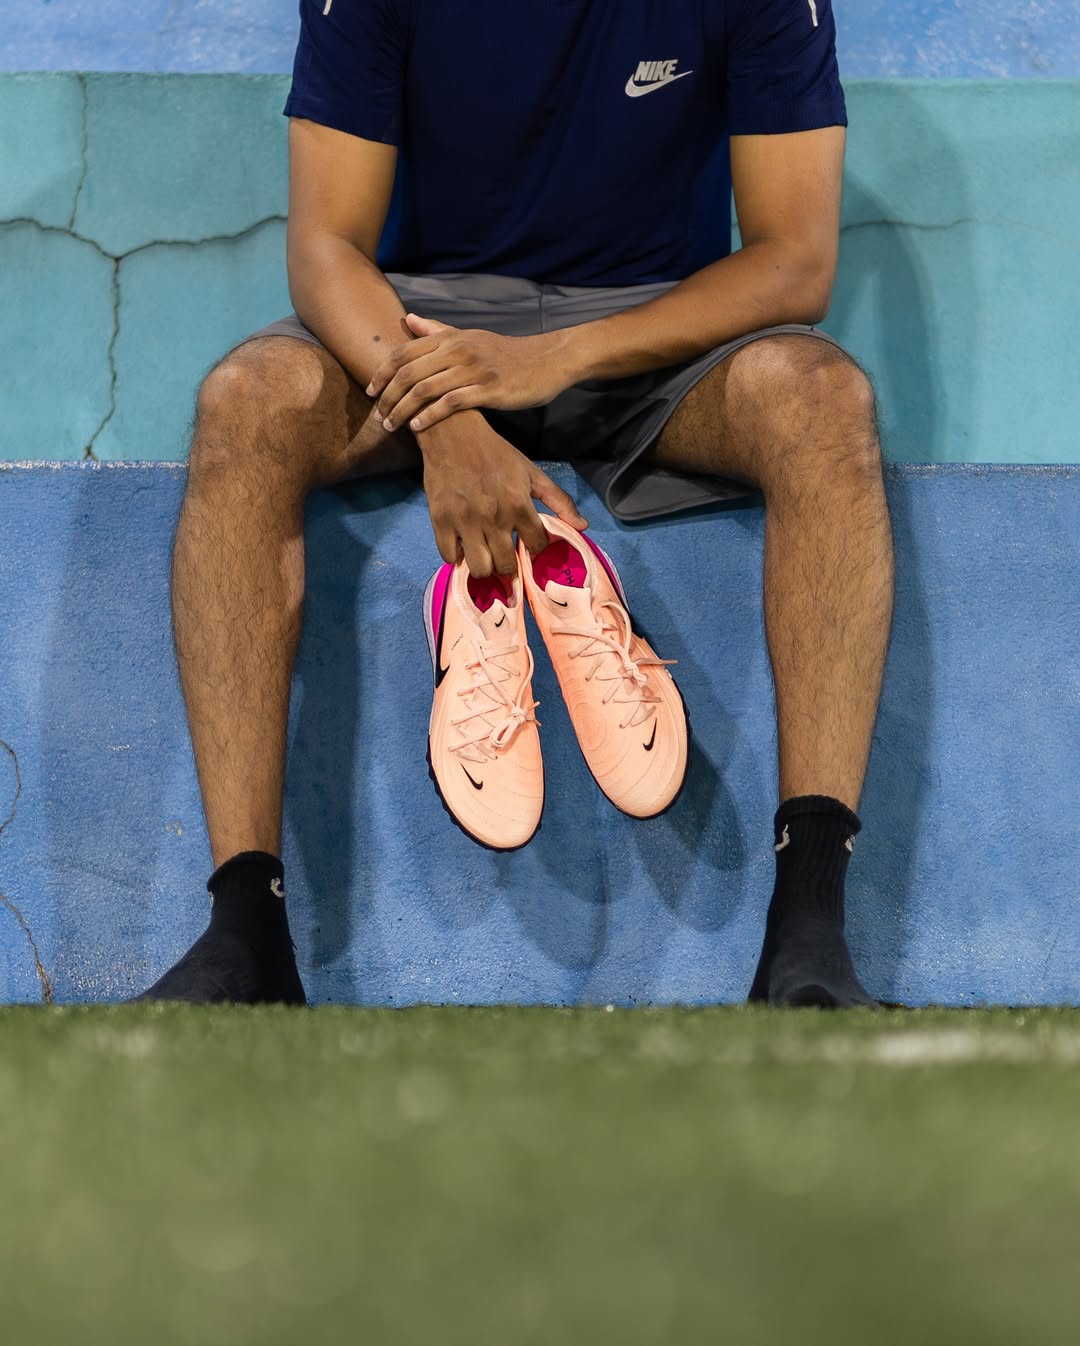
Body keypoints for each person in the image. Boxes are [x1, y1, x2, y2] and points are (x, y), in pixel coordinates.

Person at [134, 0, 893, 1008]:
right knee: (245, 404)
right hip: (426, 331)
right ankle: (246, 930)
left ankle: (811, 925)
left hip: (654, 330)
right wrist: (445, 418)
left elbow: (795, 261)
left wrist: (554, 357)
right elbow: (325, 248)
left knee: (823, 401)